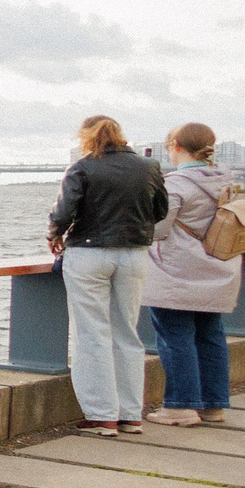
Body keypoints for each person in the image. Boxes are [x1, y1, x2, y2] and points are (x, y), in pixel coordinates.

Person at [46, 115, 170, 436]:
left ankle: (102, 415)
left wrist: (54, 234)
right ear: (120, 135)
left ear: (86, 136)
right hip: (134, 255)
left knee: (92, 333)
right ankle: (130, 414)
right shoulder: (149, 168)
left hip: (88, 254)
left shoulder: (83, 167)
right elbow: (160, 211)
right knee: (127, 333)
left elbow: (64, 212)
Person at [142, 122, 239, 427]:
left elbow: (158, 229)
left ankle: (181, 406)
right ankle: (213, 405)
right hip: (217, 269)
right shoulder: (225, 181)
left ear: (177, 147)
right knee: (210, 335)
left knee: (175, 336)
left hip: (177, 272)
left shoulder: (176, 184)